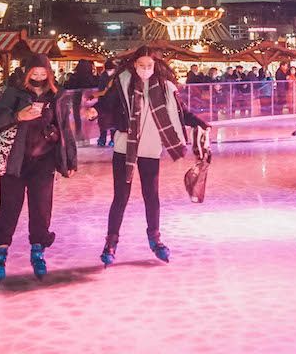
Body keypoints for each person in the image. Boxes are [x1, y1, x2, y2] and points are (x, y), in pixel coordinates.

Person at [94, 46, 209, 265]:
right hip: (124, 146)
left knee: (151, 195)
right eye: (141, 65)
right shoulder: (123, 83)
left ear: (155, 66)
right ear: (134, 64)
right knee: (121, 196)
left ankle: (155, 239)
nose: (145, 69)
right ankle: (111, 242)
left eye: (149, 66)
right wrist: (95, 112)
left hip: (150, 147)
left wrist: (199, 122)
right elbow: (107, 103)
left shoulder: (165, 88)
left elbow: (180, 112)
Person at [0, 53, 77, 281]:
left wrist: (70, 159)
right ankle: (0, 252)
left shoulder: (57, 97)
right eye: (34, 72)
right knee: (9, 209)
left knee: (41, 208)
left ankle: (38, 250)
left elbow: (65, 128)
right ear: (26, 73)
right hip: (15, 161)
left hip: (44, 161)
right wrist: (18, 116)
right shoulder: (14, 94)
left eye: (42, 72)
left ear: (49, 73)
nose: (38, 76)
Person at [62, 59, 97, 143]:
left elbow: (66, 86)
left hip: (76, 99)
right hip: (90, 100)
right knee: (88, 116)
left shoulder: (74, 77)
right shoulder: (92, 78)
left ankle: (78, 133)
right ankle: (87, 135)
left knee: (77, 116)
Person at [96, 59, 119, 147]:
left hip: (112, 102)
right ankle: (104, 138)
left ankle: (111, 139)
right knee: (104, 122)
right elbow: (100, 89)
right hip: (106, 102)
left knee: (112, 121)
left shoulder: (114, 75)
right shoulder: (104, 75)